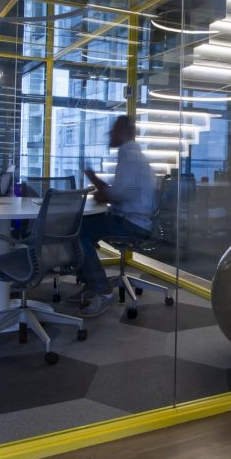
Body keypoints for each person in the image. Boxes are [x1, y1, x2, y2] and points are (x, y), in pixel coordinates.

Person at [75, 115, 157, 318]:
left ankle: (103, 291)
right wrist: (104, 192)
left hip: (131, 223)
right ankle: (92, 283)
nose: (109, 134)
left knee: (78, 232)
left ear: (122, 132)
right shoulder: (132, 156)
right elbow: (123, 192)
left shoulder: (130, 157)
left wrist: (93, 178)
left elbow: (119, 195)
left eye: (113, 130)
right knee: (83, 226)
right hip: (132, 218)